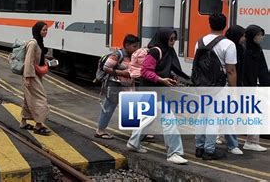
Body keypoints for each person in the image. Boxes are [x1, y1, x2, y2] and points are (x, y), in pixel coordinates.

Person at [127, 27, 189, 165]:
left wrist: (171, 76)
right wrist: (161, 80)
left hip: (154, 90)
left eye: (174, 39)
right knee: (169, 119)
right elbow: (145, 71)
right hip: (153, 90)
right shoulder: (156, 51)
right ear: (164, 38)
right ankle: (174, 153)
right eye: (170, 39)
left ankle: (133, 143)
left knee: (147, 118)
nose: (173, 42)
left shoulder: (167, 51)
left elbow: (165, 69)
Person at [194, 13, 237, 161]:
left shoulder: (199, 42)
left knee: (202, 116)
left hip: (202, 85)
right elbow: (231, 70)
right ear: (225, 25)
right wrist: (234, 90)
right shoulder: (229, 44)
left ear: (209, 24)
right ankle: (209, 150)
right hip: (220, 86)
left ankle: (199, 147)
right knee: (214, 118)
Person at [94, 34, 139, 139]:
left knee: (133, 108)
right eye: (134, 46)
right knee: (109, 107)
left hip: (128, 85)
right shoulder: (117, 55)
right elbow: (106, 67)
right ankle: (100, 131)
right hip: (115, 85)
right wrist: (123, 73)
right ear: (127, 45)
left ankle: (138, 133)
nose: (136, 49)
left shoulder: (133, 56)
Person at [20, 21, 51, 135]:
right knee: (41, 98)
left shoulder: (39, 42)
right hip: (31, 75)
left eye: (46, 30)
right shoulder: (33, 43)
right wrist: (28, 77)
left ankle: (23, 122)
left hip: (35, 75)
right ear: (37, 30)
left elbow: (37, 59)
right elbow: (29, 61)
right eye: (43, 30)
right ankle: (38, 125)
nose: (45, 32)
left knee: (28, 98)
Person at [241, 24, 269, 152]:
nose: (260, 37)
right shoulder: (244, 50)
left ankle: (252, 141)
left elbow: (262, 69)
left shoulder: (257, 49)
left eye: (261, 35)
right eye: (258, 35)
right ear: (251, 36)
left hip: (252, 87)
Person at [220, 25, 246, 155]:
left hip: (234, 84)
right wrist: (234, 89)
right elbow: (231, 70)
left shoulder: (240, 48)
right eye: (242, 36)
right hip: (227, 86)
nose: (244, 38)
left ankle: (224, 139)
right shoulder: (231, 48)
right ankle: (232, 144)